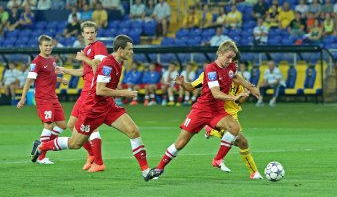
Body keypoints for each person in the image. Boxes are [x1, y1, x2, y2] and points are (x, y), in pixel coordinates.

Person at [30, 35, 160, 182]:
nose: (132, 52)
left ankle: (146, 172)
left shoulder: (118, 62)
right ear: (120, 49)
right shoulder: (108, 65)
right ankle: (42, 146)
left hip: (108, 106)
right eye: (130, 49)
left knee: (134, 131)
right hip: (92, 109)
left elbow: (95, 72)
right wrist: (124, 93)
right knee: (75, 144)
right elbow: (100, 90)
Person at [145, 41, 251, 180]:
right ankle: (159, 169)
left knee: (235, 127)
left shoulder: (231, 68)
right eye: (228, 57)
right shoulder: (210, 70)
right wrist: (183, 83)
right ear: (220, 54)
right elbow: (206, 91)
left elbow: (236, 77)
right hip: (201, 111)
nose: (230, 61)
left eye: (233, 58)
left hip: (217, 111)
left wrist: (250, 87)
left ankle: (218, 159)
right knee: (181, 143)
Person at [175, 59, 262, 179]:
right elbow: (191, 87)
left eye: (236, 62)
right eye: (232, 61)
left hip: (231, 114)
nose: (234, 64)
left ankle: (211, 131)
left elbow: (240, 100)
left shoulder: (237, 79)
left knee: (242, 142)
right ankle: (253, 172)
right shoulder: (211, 74)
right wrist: (183, 83)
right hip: (215, 113)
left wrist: (244, 95)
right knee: (242, 141)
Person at [55, 21, 108, 172]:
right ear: (83, 34)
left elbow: (99, 66)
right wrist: (65, 70)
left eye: (92, 32)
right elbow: (84, 72)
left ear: (96, 34)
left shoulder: (99, 46)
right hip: (85, 92)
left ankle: (98, 162)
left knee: (89, 126)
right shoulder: (86, 49)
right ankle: (91, 154)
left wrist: (83, 57)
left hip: (93, 93)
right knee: (71, 125)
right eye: (87, 33)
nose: (90, 35)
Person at [17, 35, 68, 164]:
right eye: (45, 45)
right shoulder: (36, 62)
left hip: (53, 97)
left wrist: (61, 79)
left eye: (50, 45)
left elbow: (49, 77)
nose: (48, 47)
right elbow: (29, 81)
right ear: (40, 46)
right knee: (49, 125)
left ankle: (40, 144)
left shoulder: (52, 60)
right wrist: (22, 98)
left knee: (62, 125)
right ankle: (41, 157)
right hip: (43, 98)